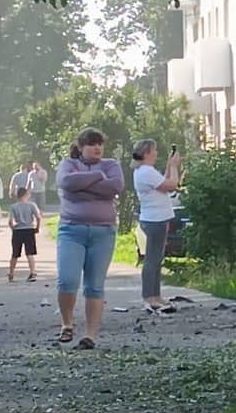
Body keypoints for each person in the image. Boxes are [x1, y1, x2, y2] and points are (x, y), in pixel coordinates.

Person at [55, 127, 124, 350]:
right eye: (92, 144)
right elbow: (66, 183)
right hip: (71, 230)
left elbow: (115, 186)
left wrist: (81, 187)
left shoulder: (111, 165)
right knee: (67, 281)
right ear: (81, 147)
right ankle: (67, 323)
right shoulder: (69, 164)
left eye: (100, 144)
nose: (97, 148)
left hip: (103, 231)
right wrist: (96, 178)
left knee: (94, 286)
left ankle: (90, 335)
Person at [131, 139, 181, 314]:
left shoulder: (144, 171)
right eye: (154, 150)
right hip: (155, 220)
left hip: (154, 218)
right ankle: (150, 296)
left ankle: (155, 295)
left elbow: (162, 183)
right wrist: (174, 167)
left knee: (156, 259)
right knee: (152, 260)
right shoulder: (146, 171)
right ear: (146, 153)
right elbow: (172, 185)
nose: (156, 153)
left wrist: (168, 166)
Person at [8, 187, 42, 283]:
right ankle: (32, 272)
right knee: (30, 253)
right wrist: (37, 228)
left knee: (15, 254)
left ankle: (11, 273)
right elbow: (38, 217)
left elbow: (10, 221)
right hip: (29, 230)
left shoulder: (13, 207)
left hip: (18, 230)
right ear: (25, 195)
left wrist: (12, 228)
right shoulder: (31, 205)